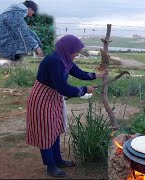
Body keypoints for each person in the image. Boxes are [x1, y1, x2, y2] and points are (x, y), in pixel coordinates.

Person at [25, 35, 106, 177]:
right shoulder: (54, 61)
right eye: (75, 52)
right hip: (41, 100)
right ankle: (50, 166)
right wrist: (84, 90)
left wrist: (97, 75)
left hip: (53, 98)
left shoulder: (65, 59)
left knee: (55, 130)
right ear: (67, 49)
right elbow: (63, 88)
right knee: (46, 133)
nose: (76, 55)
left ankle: (58, 160)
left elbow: (78, 73)